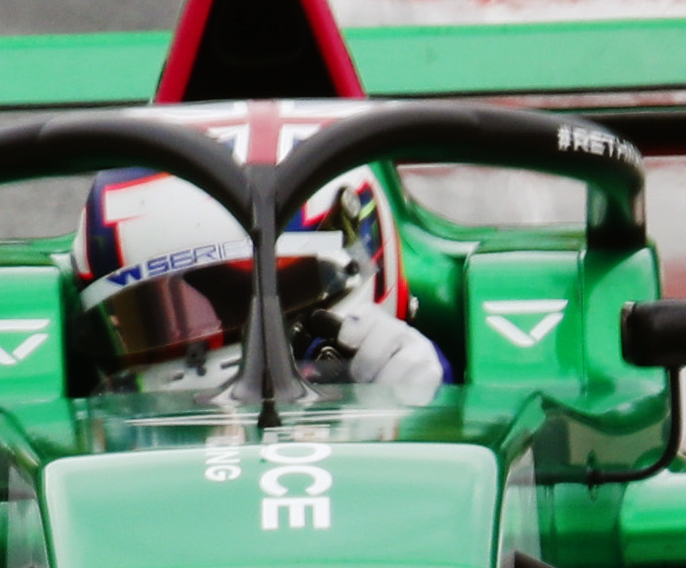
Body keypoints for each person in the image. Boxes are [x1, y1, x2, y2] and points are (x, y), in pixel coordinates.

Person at [74, 167, 443, 408]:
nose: (218, 341)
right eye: (160, 319)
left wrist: (432, 404)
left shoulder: (429, 381)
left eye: (279, 292)